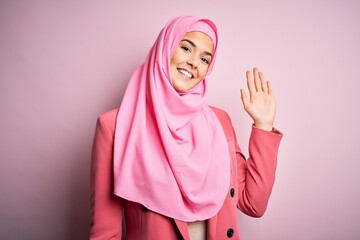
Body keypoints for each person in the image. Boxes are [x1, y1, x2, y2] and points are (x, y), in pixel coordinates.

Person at [90, 15, 283, 240]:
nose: (194, 63)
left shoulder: (219, 122)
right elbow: (105, 233)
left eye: (204, 59)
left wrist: (263, 125)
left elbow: (253, 204)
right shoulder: (114, 126)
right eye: (185, 48)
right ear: (165, 48)